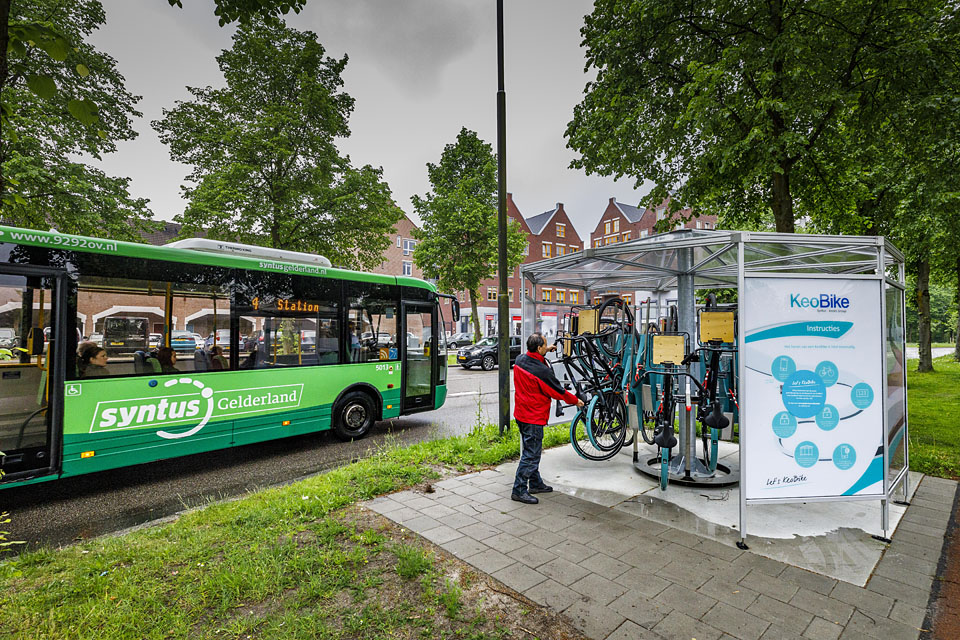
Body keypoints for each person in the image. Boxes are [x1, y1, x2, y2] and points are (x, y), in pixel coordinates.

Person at [511, 332, 584, 504]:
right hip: (533, 417)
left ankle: (535, 483)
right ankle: (519, 490)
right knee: (531, 455)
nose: (547, 346)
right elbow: (558, 391)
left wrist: (547, 350)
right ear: (538, 348)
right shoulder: (541, 371)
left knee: (531, 450)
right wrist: (576, 401)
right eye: (545, 345)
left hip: (521, 414)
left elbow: (535, 360)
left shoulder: (521, 359)